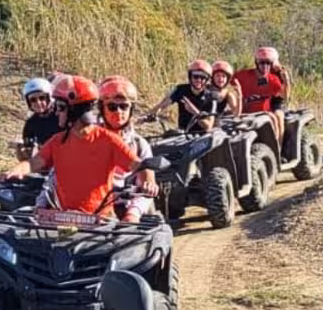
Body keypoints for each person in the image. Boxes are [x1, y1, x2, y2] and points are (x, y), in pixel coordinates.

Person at [22, 75, 140, 214]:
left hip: (102, 217)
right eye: (112, 107)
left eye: (60, 107)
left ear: (75, 111)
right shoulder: (58, 140)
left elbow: (139, 165)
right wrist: (15, 172)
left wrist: (147, 180)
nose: (56, 112)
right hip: (65, 215)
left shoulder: (111, 140)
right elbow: (36, 163)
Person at [96, 75, 158, 221]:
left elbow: (148, 181)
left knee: (135, 217)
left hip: (128, 203)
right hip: (94, 204)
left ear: (131, 109)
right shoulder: (90, 139)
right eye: (112, 106)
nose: (118, 112)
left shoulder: (139, 143)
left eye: (124, 106)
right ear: (102, 109)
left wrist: (149, 186)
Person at [150, 59, 233, 133]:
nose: (199, 80)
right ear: (190, 76)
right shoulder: (180, 90)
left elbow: (208, 126)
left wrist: (195, 112)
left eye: (203, 77)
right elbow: (162, 105)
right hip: (183, 134)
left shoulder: (212, 97)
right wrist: (148, 115)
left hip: (204, 137)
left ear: (207, 79)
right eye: (196, 76)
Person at [234, 46, 291, 140]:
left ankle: (277, 147)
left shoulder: (274, 78)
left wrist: (286, 81)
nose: (265, 66)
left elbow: (284, 96)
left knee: (277, 117)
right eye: (262, 63)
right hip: (246, 110)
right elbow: (226, 80)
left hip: (268, 108)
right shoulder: (244, 75)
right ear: (257, 63)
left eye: (268, 63)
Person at [14, 76, 61, 160]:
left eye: (42, 98)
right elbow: (28, 155)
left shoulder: (62, 115)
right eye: (33, 100)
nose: (38, 102)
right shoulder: (31, 123)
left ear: (49, 97)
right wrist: (22, 151)